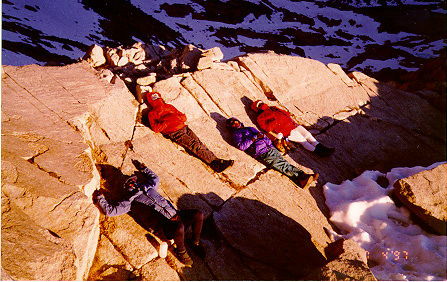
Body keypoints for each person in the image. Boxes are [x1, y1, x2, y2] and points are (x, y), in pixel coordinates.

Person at [92, 159, 203, 267]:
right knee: (179, 226)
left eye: (133, 180)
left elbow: (155, 178)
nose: (133, 183)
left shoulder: (149, 186)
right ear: (126, 189)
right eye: (129, 183)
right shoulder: (130, 202)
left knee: (198, 214)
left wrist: (144, 169)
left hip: (177, 214)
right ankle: (181, 251)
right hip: (164, 226)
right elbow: (110, 211)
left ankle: (195, 242)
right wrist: (100, 197)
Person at [145, 92, 234, 172]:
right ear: (151, 101)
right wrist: (168, 121)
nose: (156, 99)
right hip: (174, 132)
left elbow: (183, 117)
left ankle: (216, 160)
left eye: (156, 97)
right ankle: (215, 164)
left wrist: (178, 118)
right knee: (194, 145)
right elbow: (156, 128)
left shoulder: (169, 106)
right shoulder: (152, 113)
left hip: (184, 127)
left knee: (199, 143)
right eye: (154, 98)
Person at [226, 117, 318, 189]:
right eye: (232, 123)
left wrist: (270, 143)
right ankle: (302, 176)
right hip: (261, 152)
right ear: (231, 127)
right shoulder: (236, 134)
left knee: (283, 163)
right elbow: (242, 146)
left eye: (235, 121)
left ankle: (301, 180)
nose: (235, 123)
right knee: (282, 165)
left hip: (269, 148)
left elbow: (262, 135)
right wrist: (253, 138)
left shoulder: (250, 128)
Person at [251, 100, 335, 156]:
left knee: (308, 135)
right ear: (257, 108)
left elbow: (284, 113)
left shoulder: (273, 108)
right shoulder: (261, 117)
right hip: (286, 131)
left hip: (293, 124)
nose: (262, 104)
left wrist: (290, 118)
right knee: (304, 141)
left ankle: (322, 147)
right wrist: (276, 123)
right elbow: (266, 128)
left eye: (262, 102)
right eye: (260, 105)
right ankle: (319, 152)